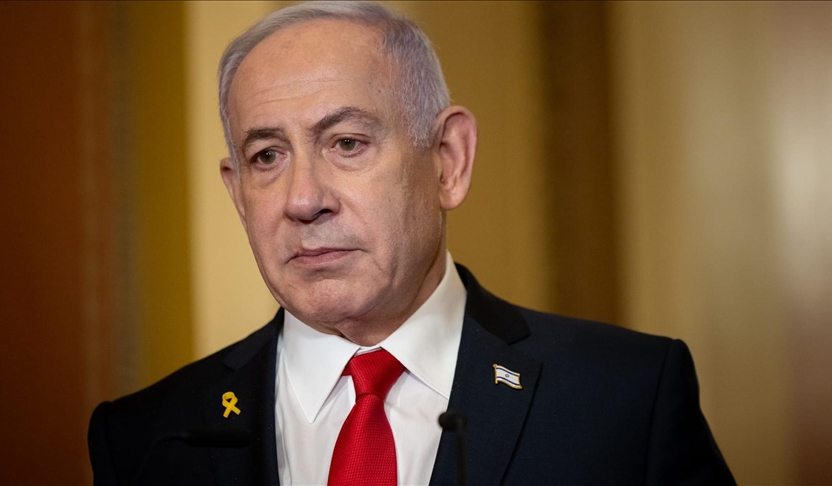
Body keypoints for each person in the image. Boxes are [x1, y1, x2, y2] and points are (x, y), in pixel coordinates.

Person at [88, 2, 735, 485]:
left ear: (448, 160)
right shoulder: (146, 438)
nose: (303, 199)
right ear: (237, 193)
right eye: (266, 156)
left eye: (347, 143)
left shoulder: (626, 397)